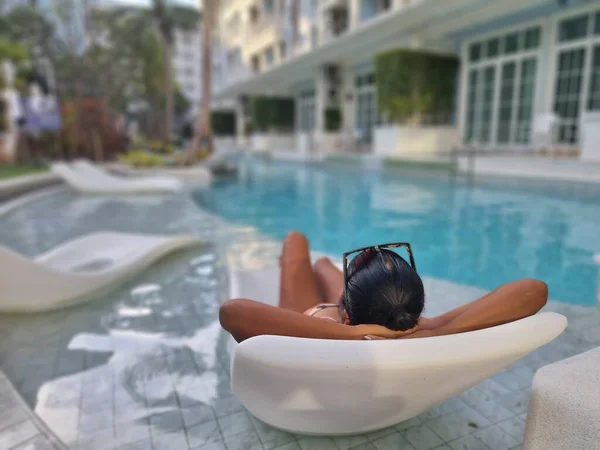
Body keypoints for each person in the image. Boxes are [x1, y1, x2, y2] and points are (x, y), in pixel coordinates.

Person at [220, 232, 548, 343]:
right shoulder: (421, 329)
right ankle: (325, 268)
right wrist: (434, 328)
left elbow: (233, 312)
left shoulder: (333, 330)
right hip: (351, 309)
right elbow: (533, 290)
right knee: (322, 265)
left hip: (313, 314)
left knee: (295, 241)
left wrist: (351, 331)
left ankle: (324, 268)